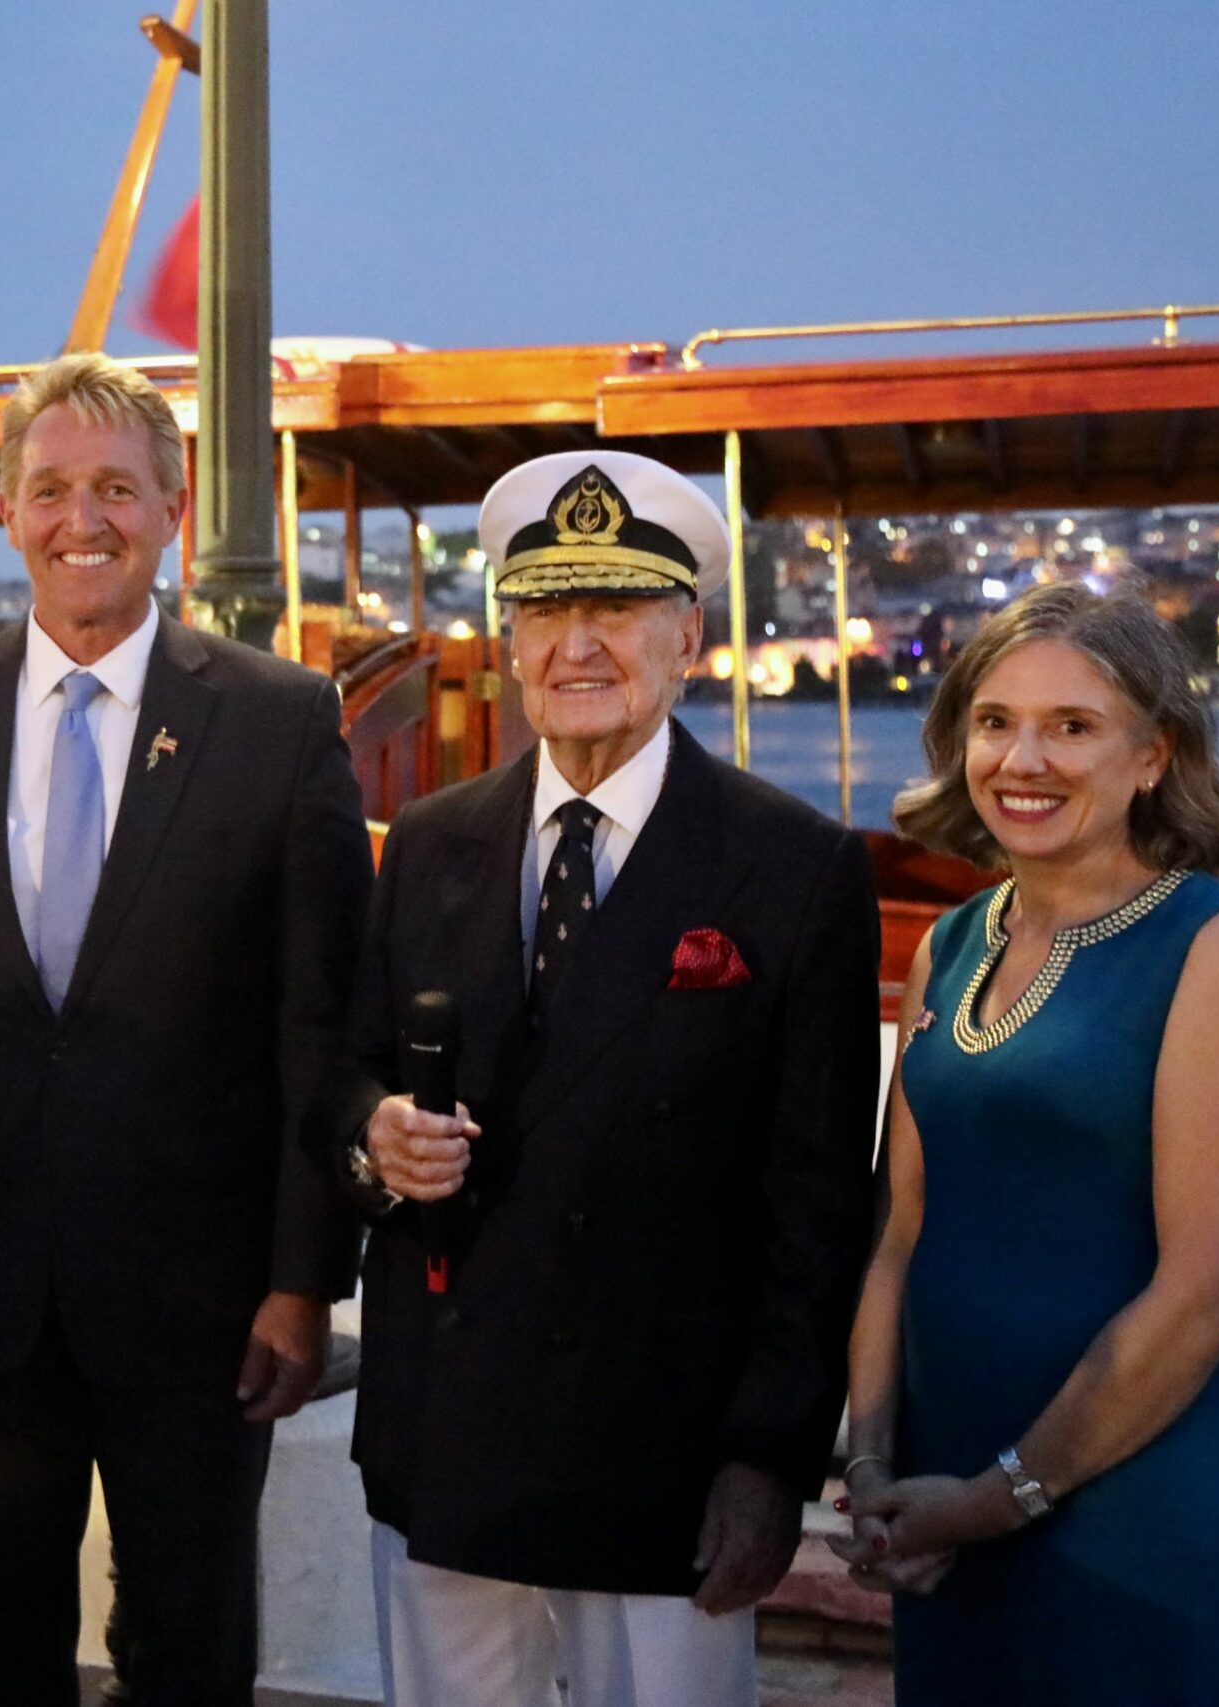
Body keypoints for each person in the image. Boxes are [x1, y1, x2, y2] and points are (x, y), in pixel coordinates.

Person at [0, 352, 373, 1707]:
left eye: (119, 488)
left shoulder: (277, 718)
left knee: (190, 1642)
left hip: (207, 1301)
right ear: (10, 511)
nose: (88, 516)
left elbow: (323, 1025)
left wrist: (306, 1278)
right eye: (56, 487)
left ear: (175, 508)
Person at [314, 451, 881, 1707]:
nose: (578, 645)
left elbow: (819, 1205)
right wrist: (375, 1141)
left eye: (615, 609)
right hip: (448, 1430)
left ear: (688, 633)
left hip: (663, 1458)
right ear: (509, 638)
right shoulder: (428, 843)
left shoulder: (794, 869)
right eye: (545, 611)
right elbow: (342, 1077)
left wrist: (769, 1462)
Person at [833, 583, 1219, 1704]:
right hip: (936, 1492)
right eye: (994, 721)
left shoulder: (1213, 947)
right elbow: (898, 1229)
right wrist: (873, 1465)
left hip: (1112, 1507)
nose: (1020, 758)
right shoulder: (947, 943)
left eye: (1071, 727)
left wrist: (994, 1501)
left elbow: (1207, 1295)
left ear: (1151, 758)